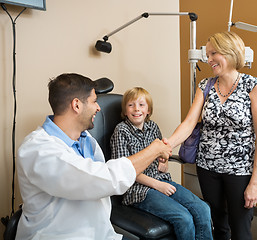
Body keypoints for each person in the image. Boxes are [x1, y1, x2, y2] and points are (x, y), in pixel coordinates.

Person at [16, 73, 172, 240]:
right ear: (76, 105)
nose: (98, 108)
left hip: (100, 232)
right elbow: (103, 179)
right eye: (94, 101)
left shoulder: (86, 139)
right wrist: (154, 150)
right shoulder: (38, 149)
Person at [167, 31, 257, 240]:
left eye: (214, 53)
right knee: (219, 226)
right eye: (208, 54)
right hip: (208, 167)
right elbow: (188, 123)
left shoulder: (253, 86)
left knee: (241, 229)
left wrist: (255, 183)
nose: (209, 59)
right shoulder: (206, 85)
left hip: (239, 170)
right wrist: (167, 145)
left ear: (230, 53)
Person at [110, 87, 213, 240]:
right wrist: (157, 185)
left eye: (141, 105)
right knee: (183, 218)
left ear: (148, 110)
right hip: (138, 190)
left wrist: (164, 161)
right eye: (131, 105)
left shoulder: (153, 127)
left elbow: (162, 154)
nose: (136, 109)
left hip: (162, 180)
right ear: (125, 110)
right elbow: (125, 170)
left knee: (203, 209)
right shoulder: (121, 131)